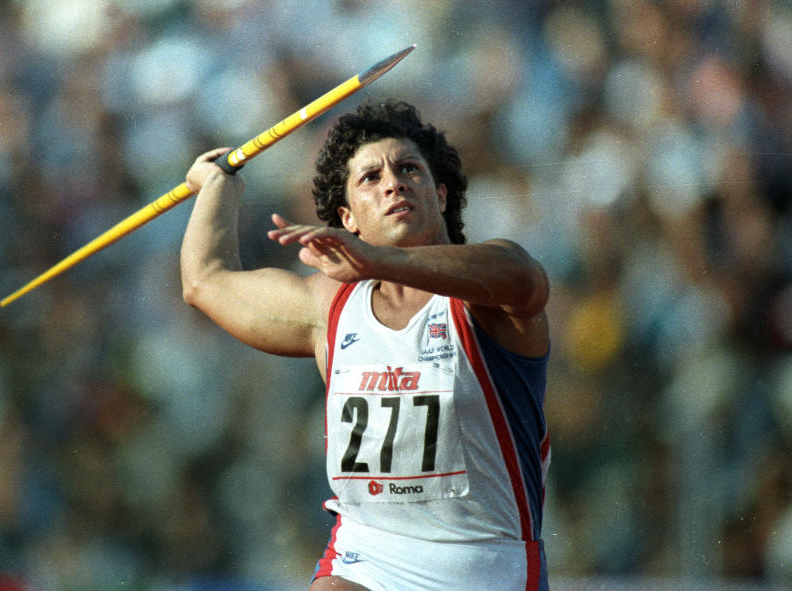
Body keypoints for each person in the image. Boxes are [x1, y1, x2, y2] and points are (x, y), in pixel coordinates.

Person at [180, 100, 551, 591]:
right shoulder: (328, 311)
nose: (393, 183)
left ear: (441, 196)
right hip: (369, 553)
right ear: (347, 218)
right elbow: (205, 282)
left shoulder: (481, 295)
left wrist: (379, 260)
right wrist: (217, 189)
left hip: (485, 563)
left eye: (409, 169)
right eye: (370, 178)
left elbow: (525, 279)